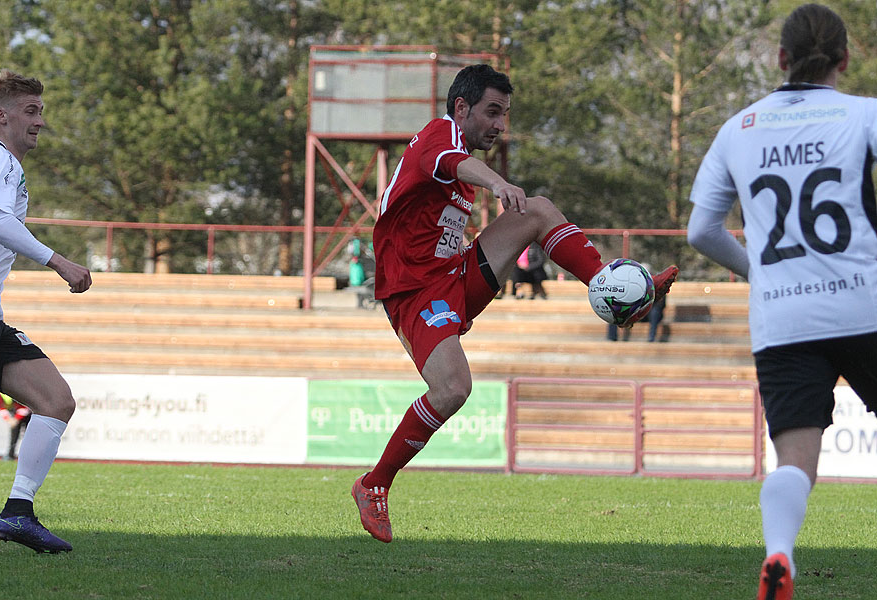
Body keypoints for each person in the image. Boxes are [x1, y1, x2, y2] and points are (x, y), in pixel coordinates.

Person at [351, 63, 679, 543]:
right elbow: (453, 163)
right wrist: (496, 184)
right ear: (461, 108)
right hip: (413, 291)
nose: (501, 125)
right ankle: (374, 483)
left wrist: (494, 187)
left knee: (539, 210)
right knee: (453, 390)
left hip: (454, 275)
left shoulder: (460, 152)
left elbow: (460, 180)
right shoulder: (438, 135)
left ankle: (613, 286)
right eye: (492, 112)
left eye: (505, 114)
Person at [686, 5, 877, 598]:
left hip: (784, 315)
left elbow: (701, 231)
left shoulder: (738, 128)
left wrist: (759, 272)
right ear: (845, 60)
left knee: (795, 458)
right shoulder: (865, 114)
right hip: (864, 302)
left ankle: (779, 554)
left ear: (780, 59)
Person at [0, 69, 93, 553]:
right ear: (1, 117)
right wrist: (60, 261)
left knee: (56, 400)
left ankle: (18, 513)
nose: (40, 120)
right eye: (30, 110)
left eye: (41, 111)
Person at [0, 390, 32, 460]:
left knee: (30, 436)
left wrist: (16, 419)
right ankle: (10, 455)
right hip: (16, 414)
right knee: (14, 435)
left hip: (29, 415)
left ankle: (31, 456)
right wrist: (9, 419)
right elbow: (2, 409)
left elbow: (25, 407)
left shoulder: (12, 395)